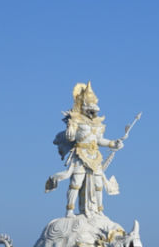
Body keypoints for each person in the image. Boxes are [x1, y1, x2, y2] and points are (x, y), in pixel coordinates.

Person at [45, 82, 124, 216]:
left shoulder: (98, 124)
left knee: (98, 184)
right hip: (80, 155)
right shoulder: (76, 120)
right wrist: (70, 130)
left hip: (95, 156)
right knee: (76, 183)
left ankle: (99, 211)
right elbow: (70, 137)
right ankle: (69, 210)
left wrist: (113, 143)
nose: (93, 112)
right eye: (90, 108)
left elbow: (99, 140)